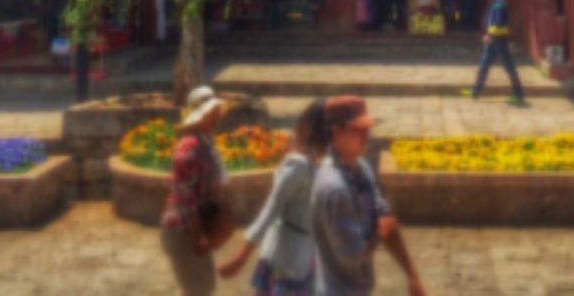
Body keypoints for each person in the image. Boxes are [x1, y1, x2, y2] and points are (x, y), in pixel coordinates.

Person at [311, 95, 425, 296]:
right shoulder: (333, 187)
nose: (367, 136)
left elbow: (383, 214)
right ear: (337, 132)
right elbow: (353, 255)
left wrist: (412, 275)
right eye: (358, 130)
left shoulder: (360, 167)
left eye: (367, 129)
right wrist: (381, 232)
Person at [218, 99, 330, 296]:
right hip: (287, 257)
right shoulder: (299, 165)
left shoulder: (321, 162)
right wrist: (241, 257)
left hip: (306, 255)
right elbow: (272, 208)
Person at [161, 86, 231, 296]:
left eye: (217, 112)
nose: (217, 118)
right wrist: (198, 235)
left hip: (194, 229)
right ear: (199, 117)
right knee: (199, 290)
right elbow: (186, 199)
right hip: (185, 231)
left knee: (202, 288)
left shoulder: (204, 142)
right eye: (211, 113)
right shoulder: (189, 148)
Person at [463, 0, 525, 105]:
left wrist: (489, 35)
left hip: (499, 40)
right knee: (483, 66)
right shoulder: (493, 3)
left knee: (509, 67)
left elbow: (498, 22)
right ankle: (476, 90)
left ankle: (518, 94)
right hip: (492, 41)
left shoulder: (499, 3)